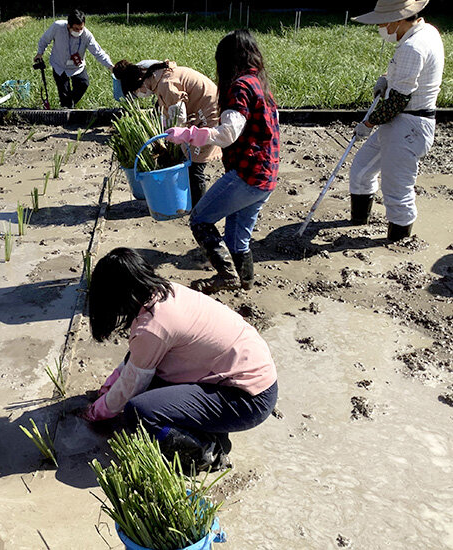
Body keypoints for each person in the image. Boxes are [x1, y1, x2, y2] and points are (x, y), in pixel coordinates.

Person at [82, 248, 278, 470]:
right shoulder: (165, 293)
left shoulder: (153, 328)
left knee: (140, 412)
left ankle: (206, 451)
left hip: (247, 400)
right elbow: (134, 362)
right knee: (146, 388)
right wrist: (107, 388)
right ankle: (204, 425)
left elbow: (131, 385)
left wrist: (95, 412)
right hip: (248, 376)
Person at [165, 29, 279, 294]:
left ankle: (227, 276)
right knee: (237, 238)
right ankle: (244, 281)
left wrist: (189, 135)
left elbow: (228, 133)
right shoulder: (259, 84)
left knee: (200, 220)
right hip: (267, 175)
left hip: (247, 174)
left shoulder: (239, 87)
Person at [349, 0, 443, 242]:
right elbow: (409, 75)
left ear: (399, 19)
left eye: (383, 20)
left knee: (396, 188)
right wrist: (386, 80)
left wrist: (367, 124)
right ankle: (358, 220)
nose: (380, 25)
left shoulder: (413, 46)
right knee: (361, 169)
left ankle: (398, 241)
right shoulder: (425, 31)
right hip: (398, 122)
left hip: (408, 125)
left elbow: (397, 101)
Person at [113, 59, 222, 205]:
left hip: (210, 115)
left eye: (137, 91)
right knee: (188, 157)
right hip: (203, 112)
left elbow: (179, 117)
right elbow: (169, 113)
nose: (141, 94)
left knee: (195, 166)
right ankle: (191, 202)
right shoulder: (158, 76)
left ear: (142, 82)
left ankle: (200, 209)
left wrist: (170, 138)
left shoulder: (166, 85)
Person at [34, 9, 114, 108]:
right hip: (59, 65)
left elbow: (98, 52)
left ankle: (69, 104)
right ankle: (66, 110)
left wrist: (110, 66)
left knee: (83, 84)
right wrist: (39, 53)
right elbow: (44, 40)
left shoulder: (86, 35)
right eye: (76, 29)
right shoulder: (57, 27)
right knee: (64, 93)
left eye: (81, 28)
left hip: (77, 66)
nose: (79, 31)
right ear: (69, 25)